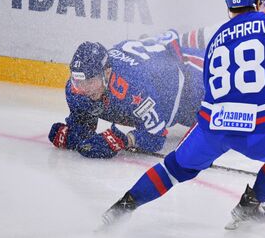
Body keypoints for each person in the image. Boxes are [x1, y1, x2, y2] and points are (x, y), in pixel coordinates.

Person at [100, 0, 265, 229]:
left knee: (173, 167)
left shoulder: (218, 38)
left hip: (212, 128)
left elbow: (222, 89)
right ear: (257, 0)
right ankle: (249, 205)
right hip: (258, 129)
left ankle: (122, 206)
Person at [48, 30, 205, 159]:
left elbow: (156, 137)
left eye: (90, 81)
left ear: (107, 74)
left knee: (219, 119)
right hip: (157, 63)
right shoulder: (75, 91)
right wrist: (74, 135)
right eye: (78, 81)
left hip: (190, 82)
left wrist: (125, 140)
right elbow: (83, 125)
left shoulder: (133, 88)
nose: (84, 89)